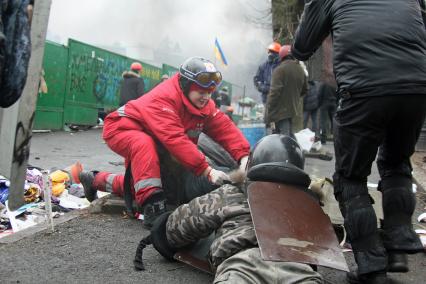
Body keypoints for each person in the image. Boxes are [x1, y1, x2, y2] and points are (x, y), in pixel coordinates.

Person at [292, 1, 426, 283]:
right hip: (416, 86)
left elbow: (302, 48)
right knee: (396, 164)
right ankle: (397, 245)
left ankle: (372, 266)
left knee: (350, 179)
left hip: (364, 87)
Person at [83, 57, 250, 228]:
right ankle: (152, 206)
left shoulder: (203, 104)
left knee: (147, 184)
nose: (206, 97)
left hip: (156, 136)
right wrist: (207, 170)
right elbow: (175, 140)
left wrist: (244, 156)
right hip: (122, 128)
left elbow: (224, 127)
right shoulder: (164, 98)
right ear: (186, 86)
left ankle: (95, 179)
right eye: (201, 92)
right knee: (144, 148)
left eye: (209, 92)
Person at [135, 134, 324, 283]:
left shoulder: (232, 192)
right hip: (298, 267)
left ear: (251, 165)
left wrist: (161, 234)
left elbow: (176, 229)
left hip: (243, 265)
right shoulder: (309, 202)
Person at [265, 45, 307, 136]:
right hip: (293, 109)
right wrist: (294, 97)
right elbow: (304, 90)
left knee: (284, 138)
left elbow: (274, 93)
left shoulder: (279, 70)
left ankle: (287, 150)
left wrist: (269, 112)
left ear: (281, 56)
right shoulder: (301, 70)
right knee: (290, 135)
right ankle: (295, 149)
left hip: (280, 111)